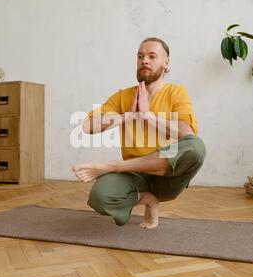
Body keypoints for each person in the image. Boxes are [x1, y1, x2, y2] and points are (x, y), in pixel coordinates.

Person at [72, 37, 206, 229]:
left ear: (166, 63)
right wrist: (128, 115)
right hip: (133, 173)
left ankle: (113, 166)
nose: (145, 60)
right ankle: (148, 199)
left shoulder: (177, 93)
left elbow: (187, 132)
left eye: (152, 56)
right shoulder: (124, 96)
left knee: (196, 147)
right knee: (99, 198)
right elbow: (87, 126)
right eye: (140, 56)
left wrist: (148, 116)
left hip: (166, 175)